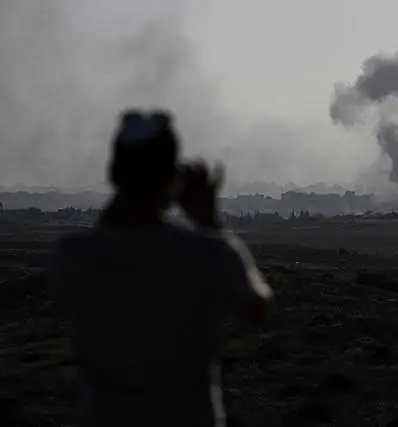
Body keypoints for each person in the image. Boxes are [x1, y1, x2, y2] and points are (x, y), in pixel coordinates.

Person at [50, 109, 273, 427]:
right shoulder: (209, 253)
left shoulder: (72, 255)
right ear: (173, 178)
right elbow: (256, 309)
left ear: (114, 173)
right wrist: (210, 222)